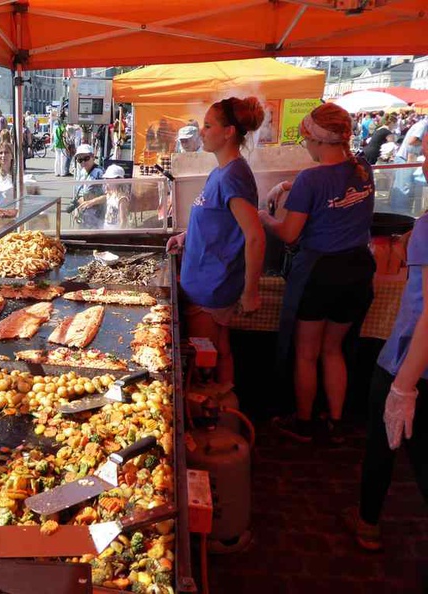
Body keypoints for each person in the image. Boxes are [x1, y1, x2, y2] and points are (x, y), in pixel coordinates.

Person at [259, 103, 375, 443]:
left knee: (307, 352)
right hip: (358, 269)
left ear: (318, 141)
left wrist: (265, 218)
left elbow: (291, 234)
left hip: (321, 272)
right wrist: (286, 185)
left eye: (306, 141)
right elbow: (332, 183)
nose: (305, 147)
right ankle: (336, 421)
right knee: (333, 349)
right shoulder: (362, 167)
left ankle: (305, 421)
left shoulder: (312, 179)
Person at [343, 179, 427, 551]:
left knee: (384, 445)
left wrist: (404, 385)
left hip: (407, 362)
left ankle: (367, 522)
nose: (423, 164)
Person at [166, 96, 266, 385]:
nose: (202, 132)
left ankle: (213, 415)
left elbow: (255, 236)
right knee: (220, 351)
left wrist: (250, 292)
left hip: (211, 288)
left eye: (208, 126)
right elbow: (219, 220)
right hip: (205, 282)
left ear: (229, 132)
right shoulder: (220, 172)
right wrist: (186, 237)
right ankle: (226, 403)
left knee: (203, 364)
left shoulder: (233, 176)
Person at [74, 164, 129, 230]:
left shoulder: (122, 198)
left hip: (115, 232)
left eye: (109, 179)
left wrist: (118, 236)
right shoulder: (111, 194)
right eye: (106, 179)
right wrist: (90, 202)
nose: (106, 181)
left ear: (118, 180)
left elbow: (123, 221)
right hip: (107, 229)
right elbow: (105, 198)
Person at [391, 116, 426, 214]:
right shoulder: (423, 125)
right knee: (404, 190)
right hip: (405, 160)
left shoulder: (423, 124)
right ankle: (400, 218)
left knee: (403, 190)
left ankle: (399, 216)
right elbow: (412, 141)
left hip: (408, 159)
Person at [69, 144, 105, 226]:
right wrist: (76, 210)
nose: (83, 162)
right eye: (80, 160)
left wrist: (91, 202)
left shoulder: (100, 173)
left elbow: (109, 195)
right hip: (84, 217)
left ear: (93, 157)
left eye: (86, 158)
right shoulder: (82, 172)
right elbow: (79, 193)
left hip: (98, 218)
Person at [0, 142, 15, 208]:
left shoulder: (18, 174)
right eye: (0, 153)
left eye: (6, 152)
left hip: (15, 214)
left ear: (12, 156)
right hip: (0, 214)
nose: (3, 155)